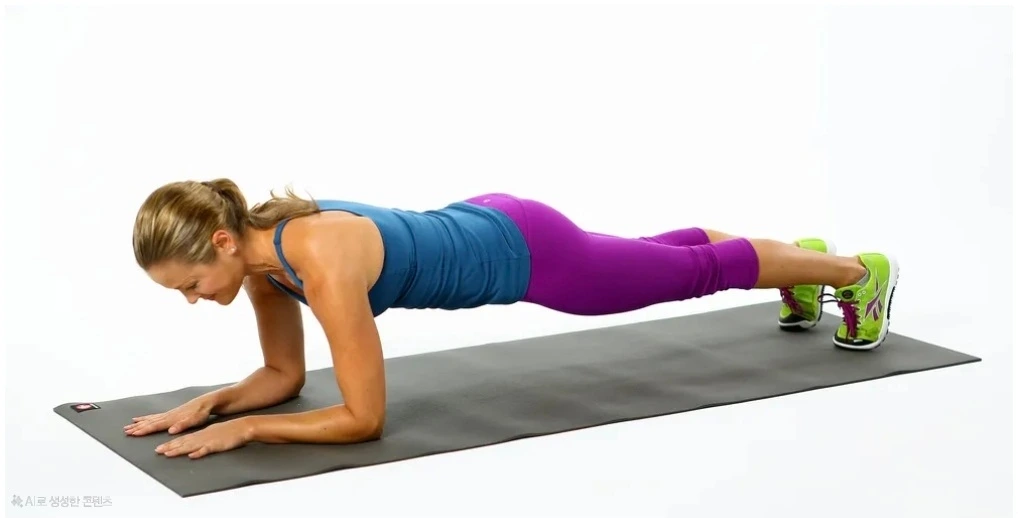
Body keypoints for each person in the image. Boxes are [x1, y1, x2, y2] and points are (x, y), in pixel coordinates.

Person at [125, 178, 899, 459]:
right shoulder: (263, 261)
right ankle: (797, 260)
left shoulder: (317, 263)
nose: (192, 299)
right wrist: (212, 405)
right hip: (492, 221)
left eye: (190, 284)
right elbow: (284, 375)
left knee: (685, 277)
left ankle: (854, 272)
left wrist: (252, 432)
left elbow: (364, 418)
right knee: (649, 260)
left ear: (221, 241)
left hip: (526, 255)